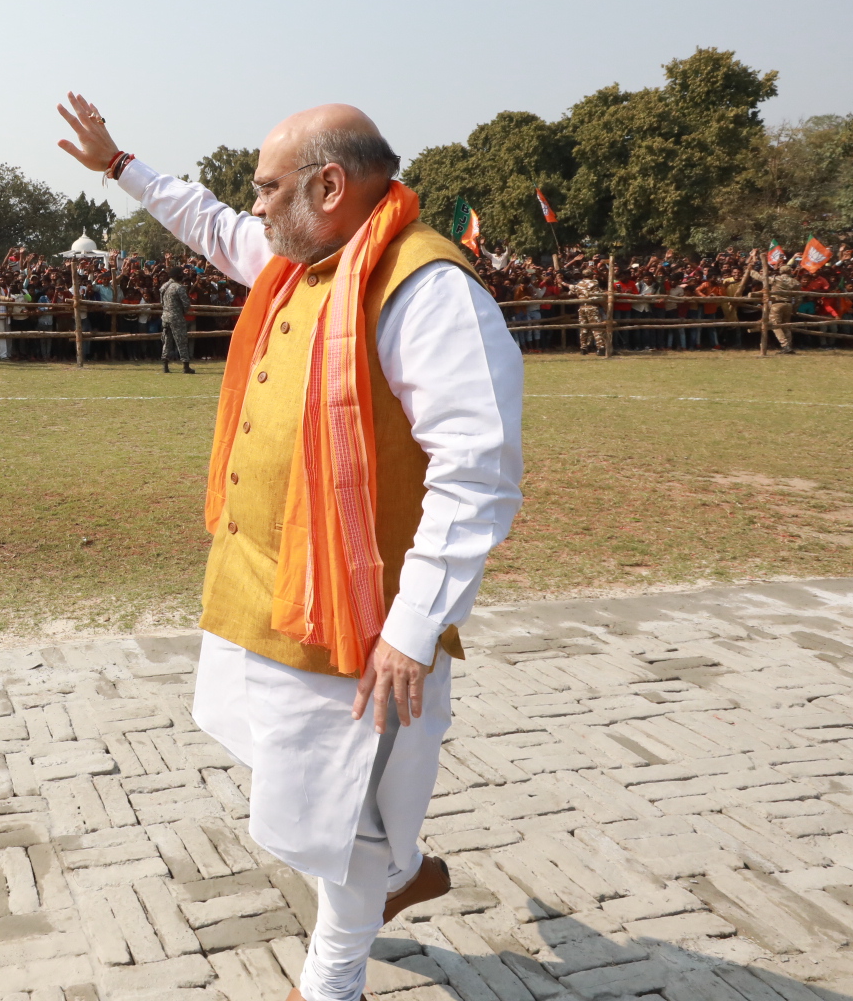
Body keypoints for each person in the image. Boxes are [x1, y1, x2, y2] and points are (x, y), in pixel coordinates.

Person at [56, 92, 523, 1001]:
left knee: (333, 810)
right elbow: (213, 226)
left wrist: (413, 627)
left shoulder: (425, 288)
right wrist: (121, 168)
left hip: (354, 614)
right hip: (263, 589)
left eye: (270, 189)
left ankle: (332, 980)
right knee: (307, 783)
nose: (257, 208)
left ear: (331, 186)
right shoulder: (311, 259)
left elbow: (479, 473)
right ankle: (398, 874)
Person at [159, 268, 196, 374]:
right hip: (176, 317)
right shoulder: (179, 287)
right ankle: (185, 366)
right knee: (182, 341)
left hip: (165, 316)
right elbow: (186, 304)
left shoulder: (164, 286)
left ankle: (165, 366)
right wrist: (183, 311)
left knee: (167, 341)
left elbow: (162, 302)